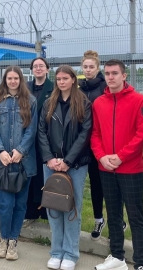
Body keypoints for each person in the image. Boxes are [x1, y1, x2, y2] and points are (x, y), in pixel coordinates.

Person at [91, 59, 143, 270]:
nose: (110, 77)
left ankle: (141, 262)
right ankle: (117, 256)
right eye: (107, 73)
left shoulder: (139, 100)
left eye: (115, 73)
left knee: (136, 216)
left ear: (124, 76)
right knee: (113, 214)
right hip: (106, 168)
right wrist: (101, 157)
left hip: (131, 169)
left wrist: (121, 156)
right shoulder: (99, 103)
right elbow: (95, 134)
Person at [38, 65, 92, 270]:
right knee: (53, 205)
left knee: (71, 207)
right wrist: (49, 158)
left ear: (73, 80)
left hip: (75, 165)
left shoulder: (83, 103)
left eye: (65, 78)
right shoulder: (49, 103)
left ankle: (70, 253)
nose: (61, 82)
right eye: (58, 79)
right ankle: (56, 252)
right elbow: (41, 131)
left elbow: (85, 134)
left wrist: (68, 161)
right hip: (51, 164)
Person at [0, 66, 37, 261]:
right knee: (5, 204)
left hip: (23, 162)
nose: (13, 81)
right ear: (5, 80)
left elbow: (32, 129)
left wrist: (20, 150)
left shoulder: (30, 101)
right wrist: (0, 151)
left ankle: (13, 241)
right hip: (3, 163)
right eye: (10, 78)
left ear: (21, 80)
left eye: (16, 78)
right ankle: (3, 239)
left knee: (20, 204)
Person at [78, 50, 114, 240]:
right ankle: (99, 219)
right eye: (85, 67)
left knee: (108, 183)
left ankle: (116, 218)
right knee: (94, 183)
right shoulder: (79, 88)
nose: (88, 70)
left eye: (91, 67)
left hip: (103, 142)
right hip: (85, 142)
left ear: (97, 68)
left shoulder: (105, 87)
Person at [24, 57, 53, 224]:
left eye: (41, 66)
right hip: (28, 137)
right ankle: (31, 212)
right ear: (32, 70)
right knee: (30, 174)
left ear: (47, 69)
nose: (38, 68)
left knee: (45, 175)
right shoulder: (25, 88)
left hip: (46, 138)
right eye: (35, 66)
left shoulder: (54, 88)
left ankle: (47, 212)